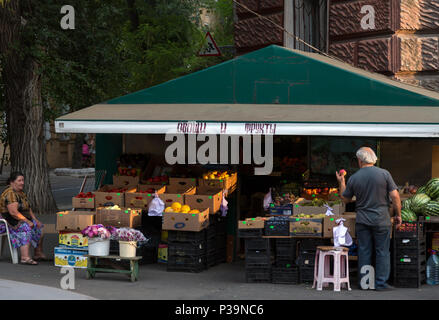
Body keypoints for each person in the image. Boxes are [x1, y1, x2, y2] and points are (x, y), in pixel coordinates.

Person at [335, 147, 402, 291]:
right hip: (381, 220)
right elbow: (395, 196)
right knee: (382, 252)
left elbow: (345, 199)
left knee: (364, 251)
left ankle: (365, 283)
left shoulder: (354, 177)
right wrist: (398, 215)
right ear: (373, 159)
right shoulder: (384, 174)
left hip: (363, 221)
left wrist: (341, 181)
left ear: (360, 160)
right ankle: (381, 284)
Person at [0, 172, 47, 265]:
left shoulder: (20, 193)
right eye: (19, 180)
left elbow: (28, 208)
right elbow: (13, 213)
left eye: (23, 180)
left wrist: (35, 220)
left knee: (40, 227)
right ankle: (25, 257)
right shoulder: (10, 193)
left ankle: (38, 253)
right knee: (25, 227)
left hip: (21, 218)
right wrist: (27, 221)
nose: (22, 183)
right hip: (10, 221)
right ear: (12, 182)